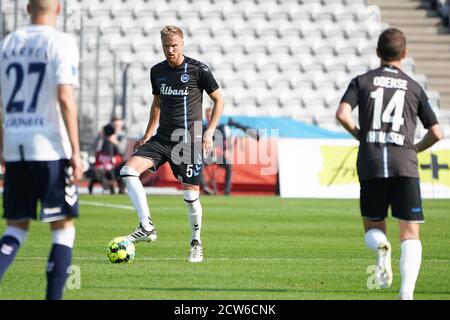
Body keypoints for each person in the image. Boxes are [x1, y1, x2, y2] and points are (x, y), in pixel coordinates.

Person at [336, 28, 443, 300]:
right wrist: (415, 148)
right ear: (405, 54)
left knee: (374, 227)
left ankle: (382, 245)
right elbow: (437, 132)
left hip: (371, 160)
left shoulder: (362, 81)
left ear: (377, 52)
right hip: (404, 162)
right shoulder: (414, 87)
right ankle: (406, 294)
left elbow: (342, 114)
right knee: (410, 233)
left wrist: (361, 134)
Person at [119, 25, 224, 262]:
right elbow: (157, 103)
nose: (170, 50)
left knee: (190, 198)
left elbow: (219, 100)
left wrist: (210, 131)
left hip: (188, 141)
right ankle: (146, 226)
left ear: (182, 43)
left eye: (174, 45)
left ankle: (196, 243)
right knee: (127, 171)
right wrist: (148, 134)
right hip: (162, 138)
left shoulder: (199, 70)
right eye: (166, 46)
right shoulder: (157, 71)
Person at [0, 0, 82, 300]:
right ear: (58, 9)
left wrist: (3, 146)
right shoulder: (60, 42)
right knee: (62, 228)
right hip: (50, 147)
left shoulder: (7, 44)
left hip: (15, 145)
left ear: (27, 9)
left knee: (15, 230)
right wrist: (76, 149)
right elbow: (64, 96)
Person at [200, 107, 233, 195]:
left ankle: (227, 190)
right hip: (207, 156)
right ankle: (205, 188)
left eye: (210, 116)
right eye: (207, 116)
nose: (208, 118)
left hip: (219, 156)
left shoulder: (222, 128)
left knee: (229, 165)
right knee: (199, 164)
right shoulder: (202, 128)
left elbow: (228, 142)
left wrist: (226, 152)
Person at [88, 124, 122, 194]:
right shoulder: (100, 141)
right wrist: (101, 137)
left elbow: (122, 154)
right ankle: (107, 188)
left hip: (112, 167)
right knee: (97, 172)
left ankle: (121, 190)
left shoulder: (117, 140)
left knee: (123, 169)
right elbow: (95, 149)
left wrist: (116, 143)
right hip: (100, 167)